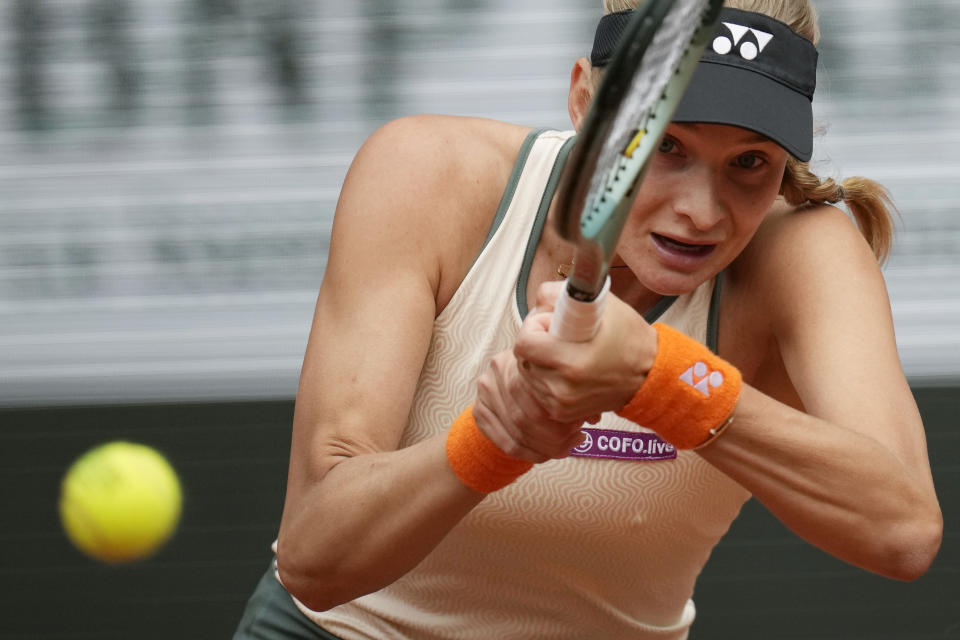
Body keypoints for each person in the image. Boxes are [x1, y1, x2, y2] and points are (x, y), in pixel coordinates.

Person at [234, 1, 943, 638]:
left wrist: (658, 377)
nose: (702, 210)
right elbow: (313, 558)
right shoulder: (426, 173)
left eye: (750, 162)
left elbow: (904, 530)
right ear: (583, 97)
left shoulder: (803, 252)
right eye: (666, 145)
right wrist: (492, 440)